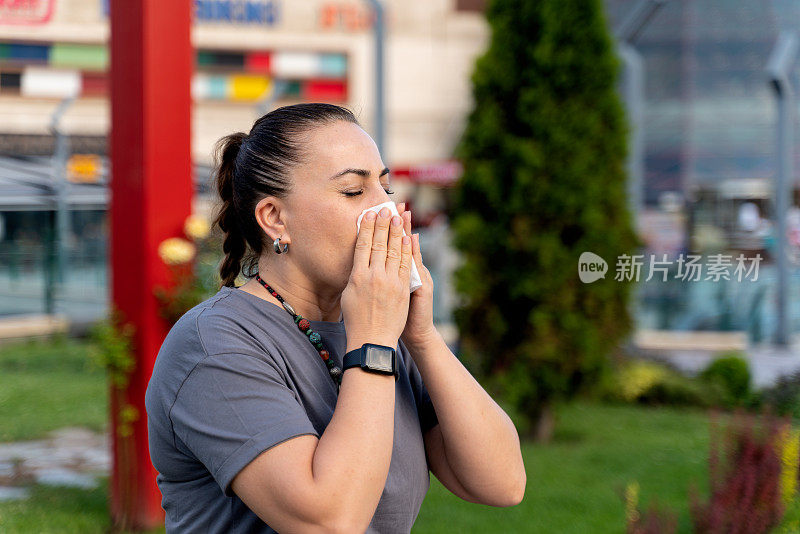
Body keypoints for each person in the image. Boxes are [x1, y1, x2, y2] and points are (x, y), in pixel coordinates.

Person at [145, 103, 526, 533]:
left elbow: (502, 483)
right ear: (274, 219)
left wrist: (421, 336)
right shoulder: (214, 343)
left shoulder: (379, 330)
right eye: (352, 191)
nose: (385, 212)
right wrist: (375, 342)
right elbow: (329, 522)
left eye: (385, 188)